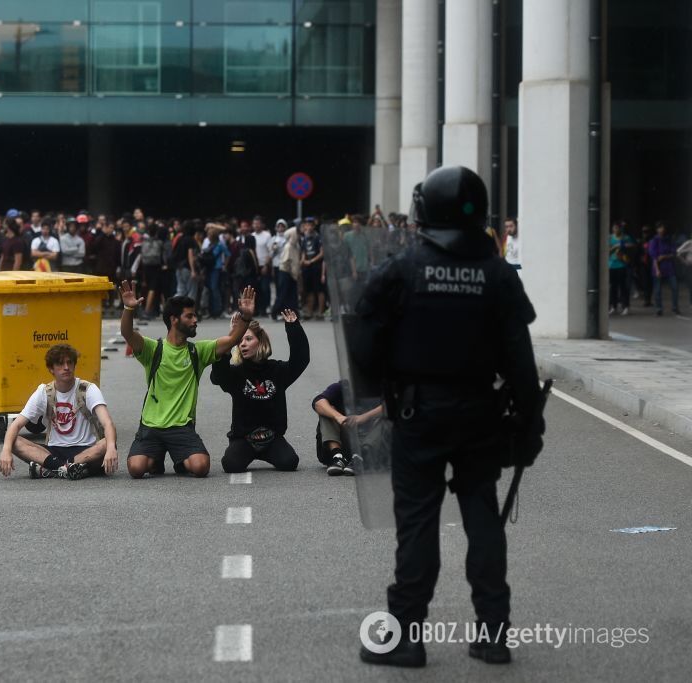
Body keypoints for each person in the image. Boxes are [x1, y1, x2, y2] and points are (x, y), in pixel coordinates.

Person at [355, 166, 543, 668]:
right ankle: (493, 634)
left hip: (419, 414)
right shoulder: (499, 273)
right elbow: (521, 361)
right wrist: (530, 423)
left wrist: (382, 386)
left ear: (423, 211)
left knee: (417, 523)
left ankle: (406, 637)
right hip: (481, 412)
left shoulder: (402, 268)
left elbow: (364, 338)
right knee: (483, 517)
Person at [119, 282, 255, 478]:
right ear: (174, 320)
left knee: (201, 467)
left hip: (182, 427)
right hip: (151, 426)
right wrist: (129, 308)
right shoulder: (153, 349)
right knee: (136, 469)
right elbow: (127, 333)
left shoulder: (197, 351)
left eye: (194, 315)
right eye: (189, 316)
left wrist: (246, 317)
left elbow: (233, 339)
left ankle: (180, 460)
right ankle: (155, 459)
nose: (195, 320)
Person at [0, 344, 118, 480]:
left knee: (107, 442)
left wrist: (111, 449)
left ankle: (52, 470)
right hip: (53, 451)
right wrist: (6, 450)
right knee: (13, 441)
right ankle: (68, 469)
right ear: (51, 369)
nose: (66, 367)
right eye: (60, 364)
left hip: (85, 450)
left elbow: (108, 423)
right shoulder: (44, 392)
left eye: (69, 363)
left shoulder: (88, 389)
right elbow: (16, 425)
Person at [209, 309, 309, 473]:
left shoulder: (278, 370)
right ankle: (246, 452)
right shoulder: (237, 373)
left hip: (272, 438)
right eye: (240, 341)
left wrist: (293, 328)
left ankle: (269, 452)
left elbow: (301, 359)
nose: (243, 344)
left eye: (248, 339)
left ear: (261, 343)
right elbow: (218, 376)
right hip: (244, 439)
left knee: (289, 462)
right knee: (231, 465)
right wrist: (230, 339)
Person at [311, 381, 383, 475]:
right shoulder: (341, 387)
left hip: (372, 447)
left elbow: (395, 403)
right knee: (327, 410)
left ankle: (362, 456)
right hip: (344, 443)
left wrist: (364, 417)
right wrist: (338, 416)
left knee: (389, 417)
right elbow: (318, 402)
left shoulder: (382, 388)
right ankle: (337, 456)